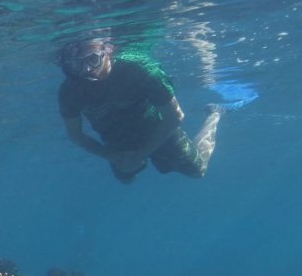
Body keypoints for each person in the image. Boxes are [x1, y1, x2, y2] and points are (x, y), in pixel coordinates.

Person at [58, 37, 223, 184]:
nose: (87, 69)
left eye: (93, 60)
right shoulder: (70, 90)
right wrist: (112, 156)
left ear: (108, 50)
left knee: (198, 170)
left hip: (157, 130)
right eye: (78, 64)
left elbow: (175, 116)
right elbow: (75, 135)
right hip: (116, 139)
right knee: (125, 178)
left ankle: (214, 114)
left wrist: (141, 154)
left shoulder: (140, 69)